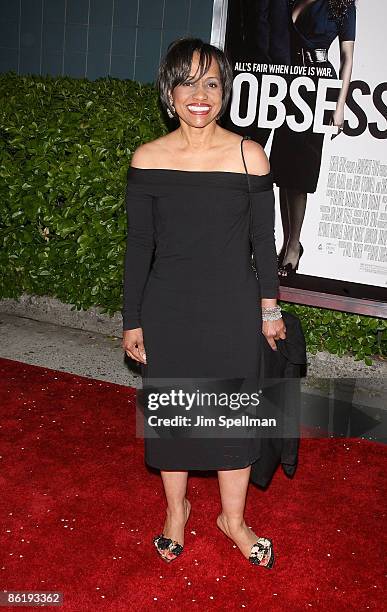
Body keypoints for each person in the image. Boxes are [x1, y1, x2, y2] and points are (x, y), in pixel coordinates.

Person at [121, 38, 286, 567]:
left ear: (225, 92)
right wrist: (133, 321)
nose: (200, 94)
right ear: (169, 93)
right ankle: (178, 511)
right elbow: (139, 247)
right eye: (187, 82)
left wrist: (270, 309)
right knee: (173, 418)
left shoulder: (249, 155)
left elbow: (265, 245)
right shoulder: (148, 159)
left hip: (233, 310)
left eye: (211, 82)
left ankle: (232, 520)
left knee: (234, 420)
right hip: (169, 310)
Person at [270, 0, 357, 277]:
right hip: (286, 81)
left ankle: (293, 245)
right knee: (283, 170)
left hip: (317, 88)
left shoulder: (342, 5)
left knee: (301, 173)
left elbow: (347, 57)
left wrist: (340, 104)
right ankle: (287, 243)